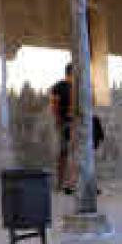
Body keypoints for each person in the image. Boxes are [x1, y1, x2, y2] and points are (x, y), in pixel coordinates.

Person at [49, 64, 75, 194]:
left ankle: (72, 183)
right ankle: (60, 184)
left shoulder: (78, 87)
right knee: (64, 154)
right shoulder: (59, 86)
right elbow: (54, 104)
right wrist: (58, 121)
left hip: (77, 125)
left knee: (76, 154)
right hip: (65, 124)